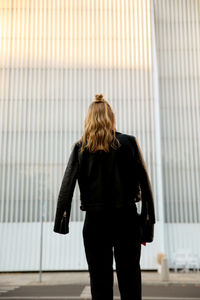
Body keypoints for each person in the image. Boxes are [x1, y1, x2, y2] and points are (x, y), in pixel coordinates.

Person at [53, 93, 156, 300]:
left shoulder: (80, 148)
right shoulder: (129, 143)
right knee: (130, 281)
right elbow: (145, 186)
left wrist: (61, 221)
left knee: (99, 283)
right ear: (111, 117)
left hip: (95, 223)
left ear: (88, 118)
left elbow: (66, 187)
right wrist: (146, 225)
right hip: (126, 220)